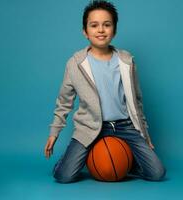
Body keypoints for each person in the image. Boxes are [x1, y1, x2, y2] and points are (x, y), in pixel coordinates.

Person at [44, 0, 166, 183]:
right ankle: (68, 162)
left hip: (125, 126)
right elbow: (64, 102)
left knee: (157, 173)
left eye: (106, 25)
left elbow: (137, 101)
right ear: (85, 31)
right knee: (63, 176)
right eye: (94, 25)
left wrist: (145, 134)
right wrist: (54, 132)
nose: (101, 30)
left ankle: (128, 162)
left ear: (114, 30)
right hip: (91, 126)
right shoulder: (75, 63)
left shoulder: (126, 61)